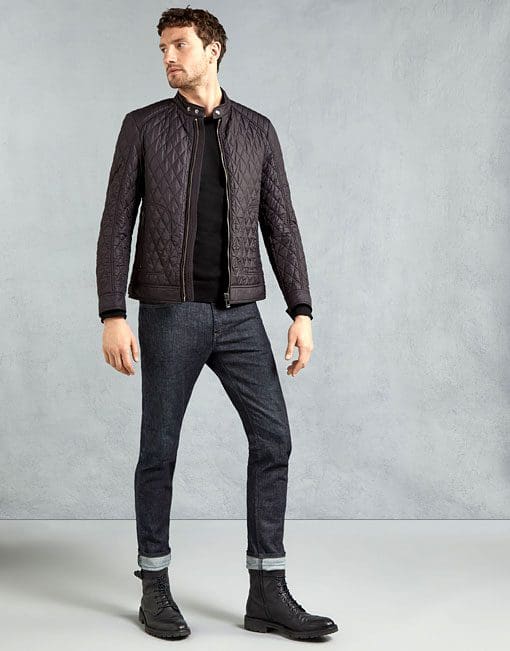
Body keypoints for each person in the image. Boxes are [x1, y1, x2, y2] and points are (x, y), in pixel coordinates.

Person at [95, 6, 338, 641]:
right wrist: (112, 312)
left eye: (179, 45)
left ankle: (267, 591)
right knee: (159, 450)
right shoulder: (144, 126)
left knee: (274, 440)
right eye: (162, 48)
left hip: (239, 316)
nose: (168, 58)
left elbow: (281, 225)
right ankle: (154, 585)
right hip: (169, 314)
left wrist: (302, 310)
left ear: (213, 50)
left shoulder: (256, 130)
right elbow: (116, 223)